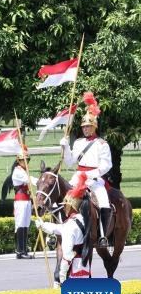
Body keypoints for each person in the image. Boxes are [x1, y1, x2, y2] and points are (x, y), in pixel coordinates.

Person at [61, 92, 113, 248]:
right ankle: (59, 230)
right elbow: (70, 162)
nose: (85, 129)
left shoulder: (102, 144)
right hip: (78, 177)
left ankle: (103, 236)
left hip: (94, 179)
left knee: (104, 202)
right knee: (64, 199)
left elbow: (106, 165)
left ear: (94, 126)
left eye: (88, 126)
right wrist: (65, 147)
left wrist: (89, 174)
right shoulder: (77, 143)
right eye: (83, 126)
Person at [36, 183, 91, 284]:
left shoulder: (70, 225)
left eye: (65, 206)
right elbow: (58, 228)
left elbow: (67, 255)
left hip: (72, 270)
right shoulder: (83, 219)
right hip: (84, 265)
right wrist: (42, 225)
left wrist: (62, 276)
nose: (64, 208)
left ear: (71, 206)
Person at [10, 151, 36, 259]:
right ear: (18, 161)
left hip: (26, 199)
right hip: (20, 200)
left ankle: (24, 250)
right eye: (23, 160)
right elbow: (29, 180)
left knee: (26, 224)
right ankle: (20, 251)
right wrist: (42, 181)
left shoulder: (24, 170)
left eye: (27, 160)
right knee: (20, 224)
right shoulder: (18, 171)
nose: (25, 162)